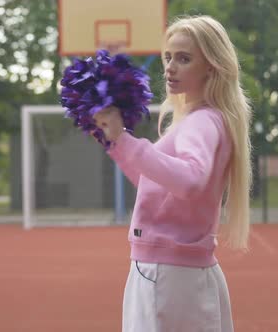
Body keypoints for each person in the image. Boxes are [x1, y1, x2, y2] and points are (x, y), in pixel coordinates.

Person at [93, 15, 252, 332]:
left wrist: (126, 141)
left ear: (211, 66)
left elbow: (191, 181)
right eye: (168, 57)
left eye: (184, 58)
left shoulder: (202, 121)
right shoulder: (207, 119)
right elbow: (154, 183)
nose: (170, 67)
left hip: (165, 273)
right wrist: (117, 142)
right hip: (182, 271)